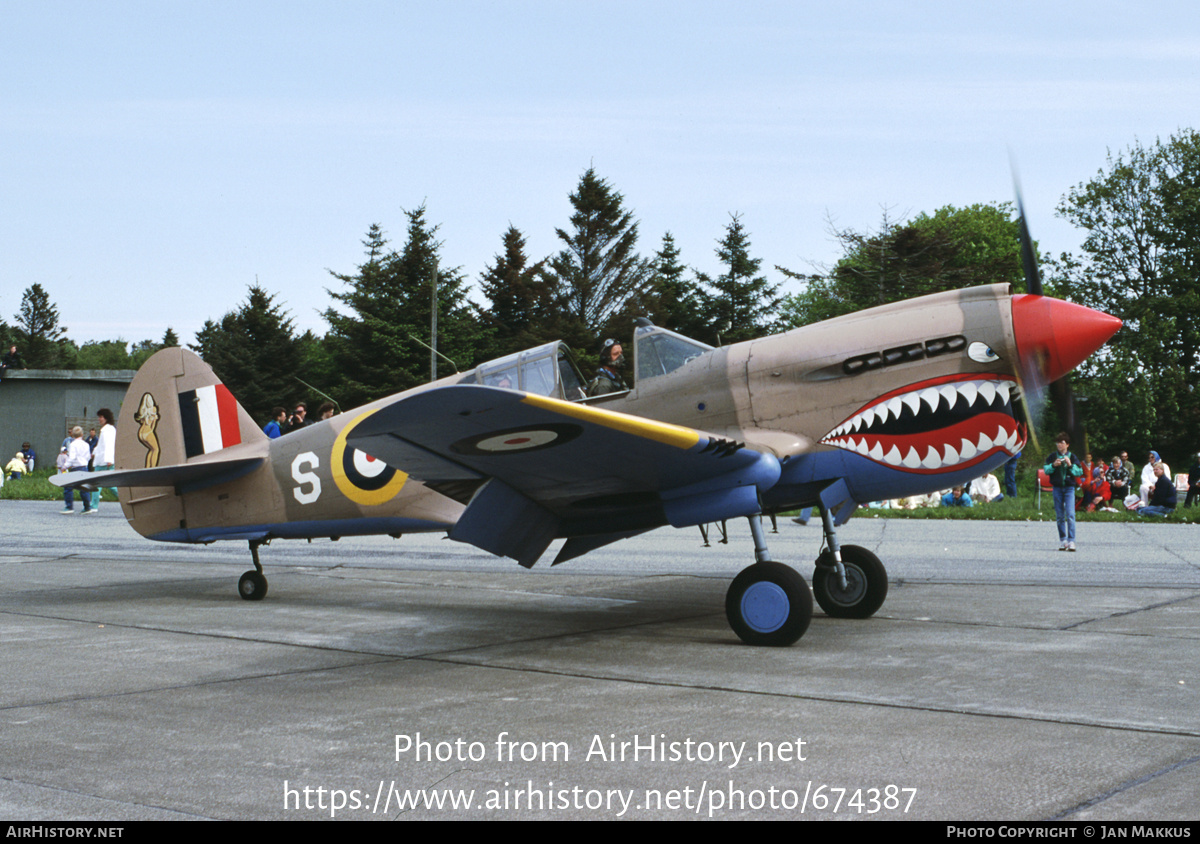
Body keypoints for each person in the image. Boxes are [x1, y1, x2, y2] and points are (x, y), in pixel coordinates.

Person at [1044, 432, 1083, 551]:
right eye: (1058, 443)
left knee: (1070, 514)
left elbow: (1079, 472)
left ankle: (1072, 540)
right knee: (1060, 515)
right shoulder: (1052, 456)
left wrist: (1070, 465)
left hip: (1069, 488)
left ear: (1067, 445)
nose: (1059, 445)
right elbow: (1046, 470)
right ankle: (1063, 540)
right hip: (1057, 488)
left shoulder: (1072, 456)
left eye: (1062, 443)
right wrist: (1054, 465)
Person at [61, 427, 95, 514]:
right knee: (84, 488)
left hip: (75, 467)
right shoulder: (86, 444)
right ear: (82, 434)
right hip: (84, 467)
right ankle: (87, 507)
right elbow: (88, 457)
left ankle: (69, 507)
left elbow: (72, 457)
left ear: (72, 434)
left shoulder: (73, 445)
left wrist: (65, 466)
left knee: (68, 487)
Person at [92, 408, 118, 506]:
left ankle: (93, 505)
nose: (99, 419)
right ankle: (125, 499)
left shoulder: (107, 430)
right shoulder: (108, 429)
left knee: (96, 484)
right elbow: (101, 445)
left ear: (106, 418)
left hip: (104, 461)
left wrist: (109, 459)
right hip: (103, 461)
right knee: (109, 484)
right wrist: (94, 452)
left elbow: (109, 445)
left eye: (101, 417)